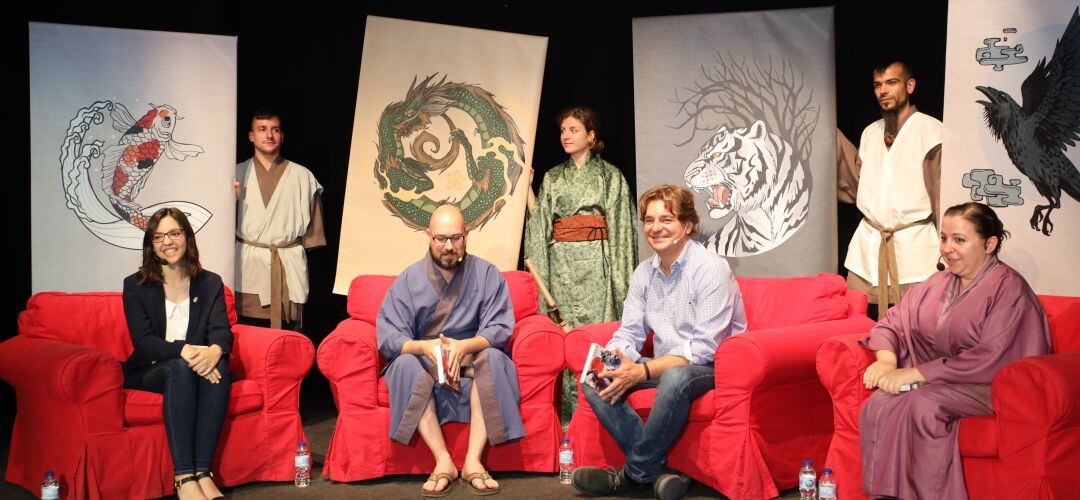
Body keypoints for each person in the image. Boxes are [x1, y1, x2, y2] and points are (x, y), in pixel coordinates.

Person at [859, 202, 1050, 499]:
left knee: (924, 406)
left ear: (990, 244)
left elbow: (993, 355)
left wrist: (918, 373)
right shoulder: (938, 282)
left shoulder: (1009, 289)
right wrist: (886, 361)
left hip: (989, 385)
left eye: (959, 240)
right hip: (942, 381)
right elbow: (894, 322)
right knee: (880, 403)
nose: (947, 249)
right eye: (944, 238)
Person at [571, 185, 746, 500]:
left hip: (712, 367)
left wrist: (642, 372)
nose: (655, 228)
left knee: (678, 375)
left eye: (666, 219)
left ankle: (631, 475)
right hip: (667, 367)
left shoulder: (710, 269)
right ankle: (660, 471)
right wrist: (614, 359)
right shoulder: (643, 274)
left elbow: (704, 349)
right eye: (649, 220)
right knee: (594, 371)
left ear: (688, 225)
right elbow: (630, 333)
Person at [377, 205, 524, 497]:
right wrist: (426, 347)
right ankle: (442, 458)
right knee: (404, 364)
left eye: (455, 238)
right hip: (425, 362)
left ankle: (472, 460)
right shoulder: (408, 279)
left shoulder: (487, 274)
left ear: (466, 235)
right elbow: (389, 336)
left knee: (494, 358)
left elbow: (499, 327)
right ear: (428, 235)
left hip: (473, 359)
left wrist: (465, 346)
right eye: (440, 238)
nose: (448, 246)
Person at [524, 106, 637, 425]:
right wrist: (529, 191)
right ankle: (566, 424)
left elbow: (622, 229)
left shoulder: (610, 176)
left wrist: (619, 281)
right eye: (562, 131)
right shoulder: (553, 177)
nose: (565, 136)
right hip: (562, 268)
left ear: (591, 136)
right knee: (564, 340)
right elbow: (542, 224)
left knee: (597, 340)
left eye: (573, 130)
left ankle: (603, 418)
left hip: (597, 270)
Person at [122, 207, 233, 500]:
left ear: (187, 237)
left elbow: (221, 329)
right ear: (151, 245)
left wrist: (214, 351)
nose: (167, 242)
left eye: (174, 233)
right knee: (180, 367)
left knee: (220, 366)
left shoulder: (210, 283)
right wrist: (183, 349)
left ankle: (203, 473)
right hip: (151, 369)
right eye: (158, 237)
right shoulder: (135, 286)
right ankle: (184, 477)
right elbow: (144, 341)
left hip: (193, 364)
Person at [837, 60, 943, 319]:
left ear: (910, 86)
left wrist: (948, 247)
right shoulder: (870, 133)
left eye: (891, 83)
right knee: (861, 323)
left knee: (913, 323)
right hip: (869, 246)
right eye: (877, 85)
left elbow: (941, 195)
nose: (883, 90)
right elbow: (861, 183)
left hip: (914, 249)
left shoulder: (931, 131)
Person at [234, 107, 325, 331]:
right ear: (251, 136)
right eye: (262, 129)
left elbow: (313, 236)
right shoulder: (235, 174)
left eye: (275, 130)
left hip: (286, 266)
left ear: (282, 136)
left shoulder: (304, 177)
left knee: (286, 341)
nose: (269, 135)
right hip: (248, 268)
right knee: (246, 335)